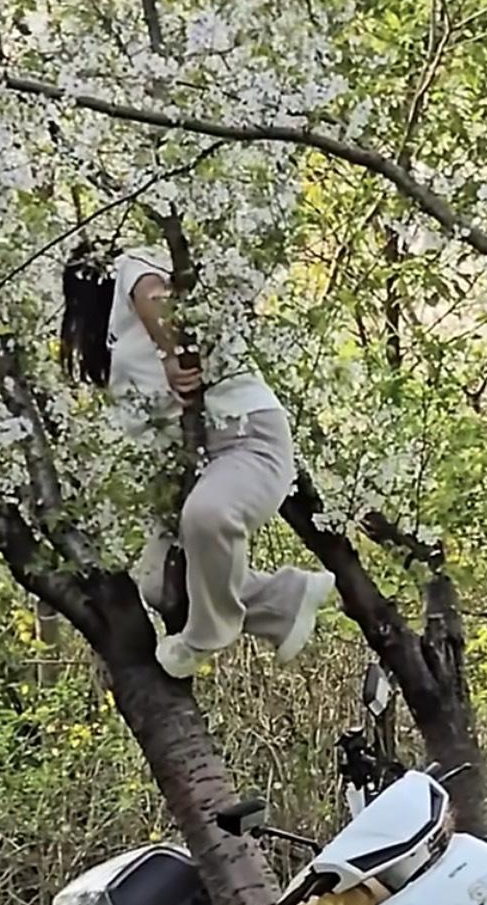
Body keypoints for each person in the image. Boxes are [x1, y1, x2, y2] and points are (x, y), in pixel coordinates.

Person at [61, 244, 334, 679]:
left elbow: (153, 294)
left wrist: (172, 354)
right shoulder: (112, 338)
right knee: (157, 583)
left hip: (245, 435)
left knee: (209, 516)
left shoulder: (133, 266)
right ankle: (284, 598)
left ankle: (206, 635)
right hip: (187, 465)